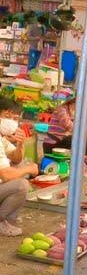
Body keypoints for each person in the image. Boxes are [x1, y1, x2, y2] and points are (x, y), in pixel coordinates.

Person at [0, 98, 39, 236]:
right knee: (21, 185)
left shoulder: (2, 139)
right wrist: (29, 169)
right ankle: (2, 221)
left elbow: (16, 158)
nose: (11, 121)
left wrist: (21, 143)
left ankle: (8, 221)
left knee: (19, 169)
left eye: (14, 118)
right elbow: (5, 174)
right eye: (6, 117)